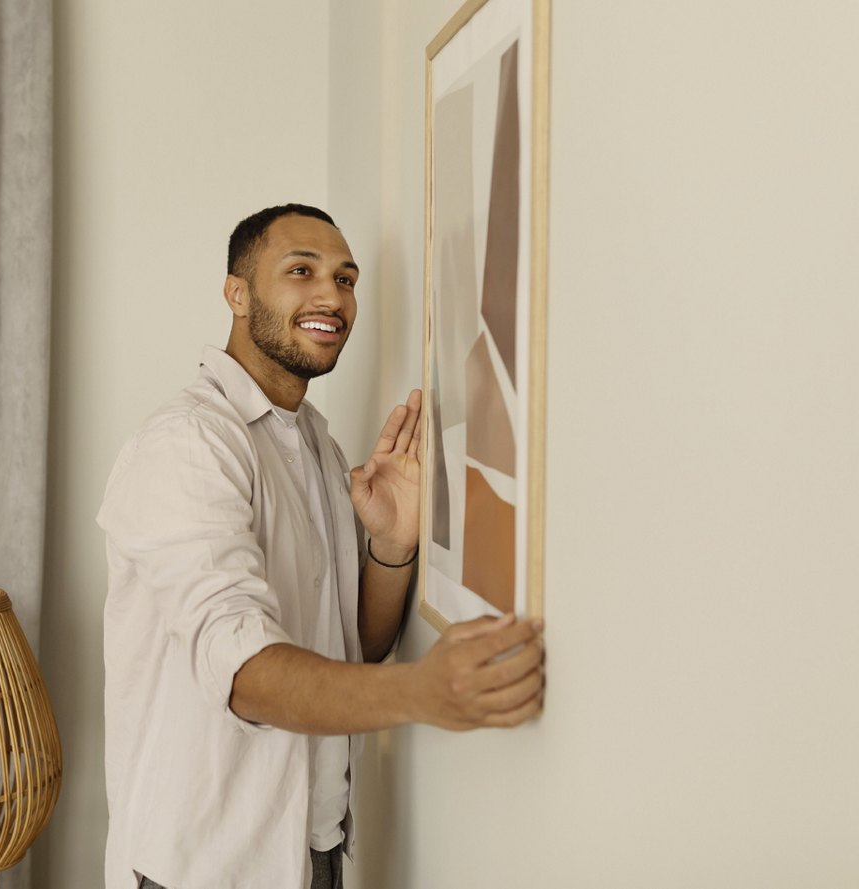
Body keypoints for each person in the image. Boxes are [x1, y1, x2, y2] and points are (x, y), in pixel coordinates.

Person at [97, 204, 544, 889]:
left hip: (314, 852)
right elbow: (242, 671)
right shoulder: (187, 446)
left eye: (346, 277)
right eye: (300, 271)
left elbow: (350, 649)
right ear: (237, 293)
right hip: (204, 868)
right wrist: (424, 692)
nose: (331, 296)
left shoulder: (315, 444)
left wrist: (392, 546)